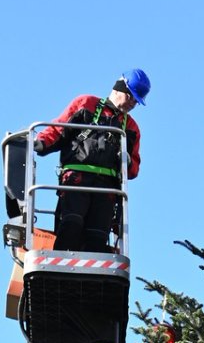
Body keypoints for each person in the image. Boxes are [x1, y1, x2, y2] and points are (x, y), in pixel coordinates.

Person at [33, 68, 149, 252]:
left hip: (106, 188)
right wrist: (40, 142)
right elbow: (58, 129)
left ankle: (91, 278)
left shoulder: (131, 127)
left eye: (137, 101)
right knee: (71, 224)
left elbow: (134, 168)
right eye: (131, 97)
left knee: (97, 236)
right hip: (76, 180)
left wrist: (127, 160)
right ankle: (61, 270)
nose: (133, 103)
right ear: (119, 88)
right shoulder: (86, 104)